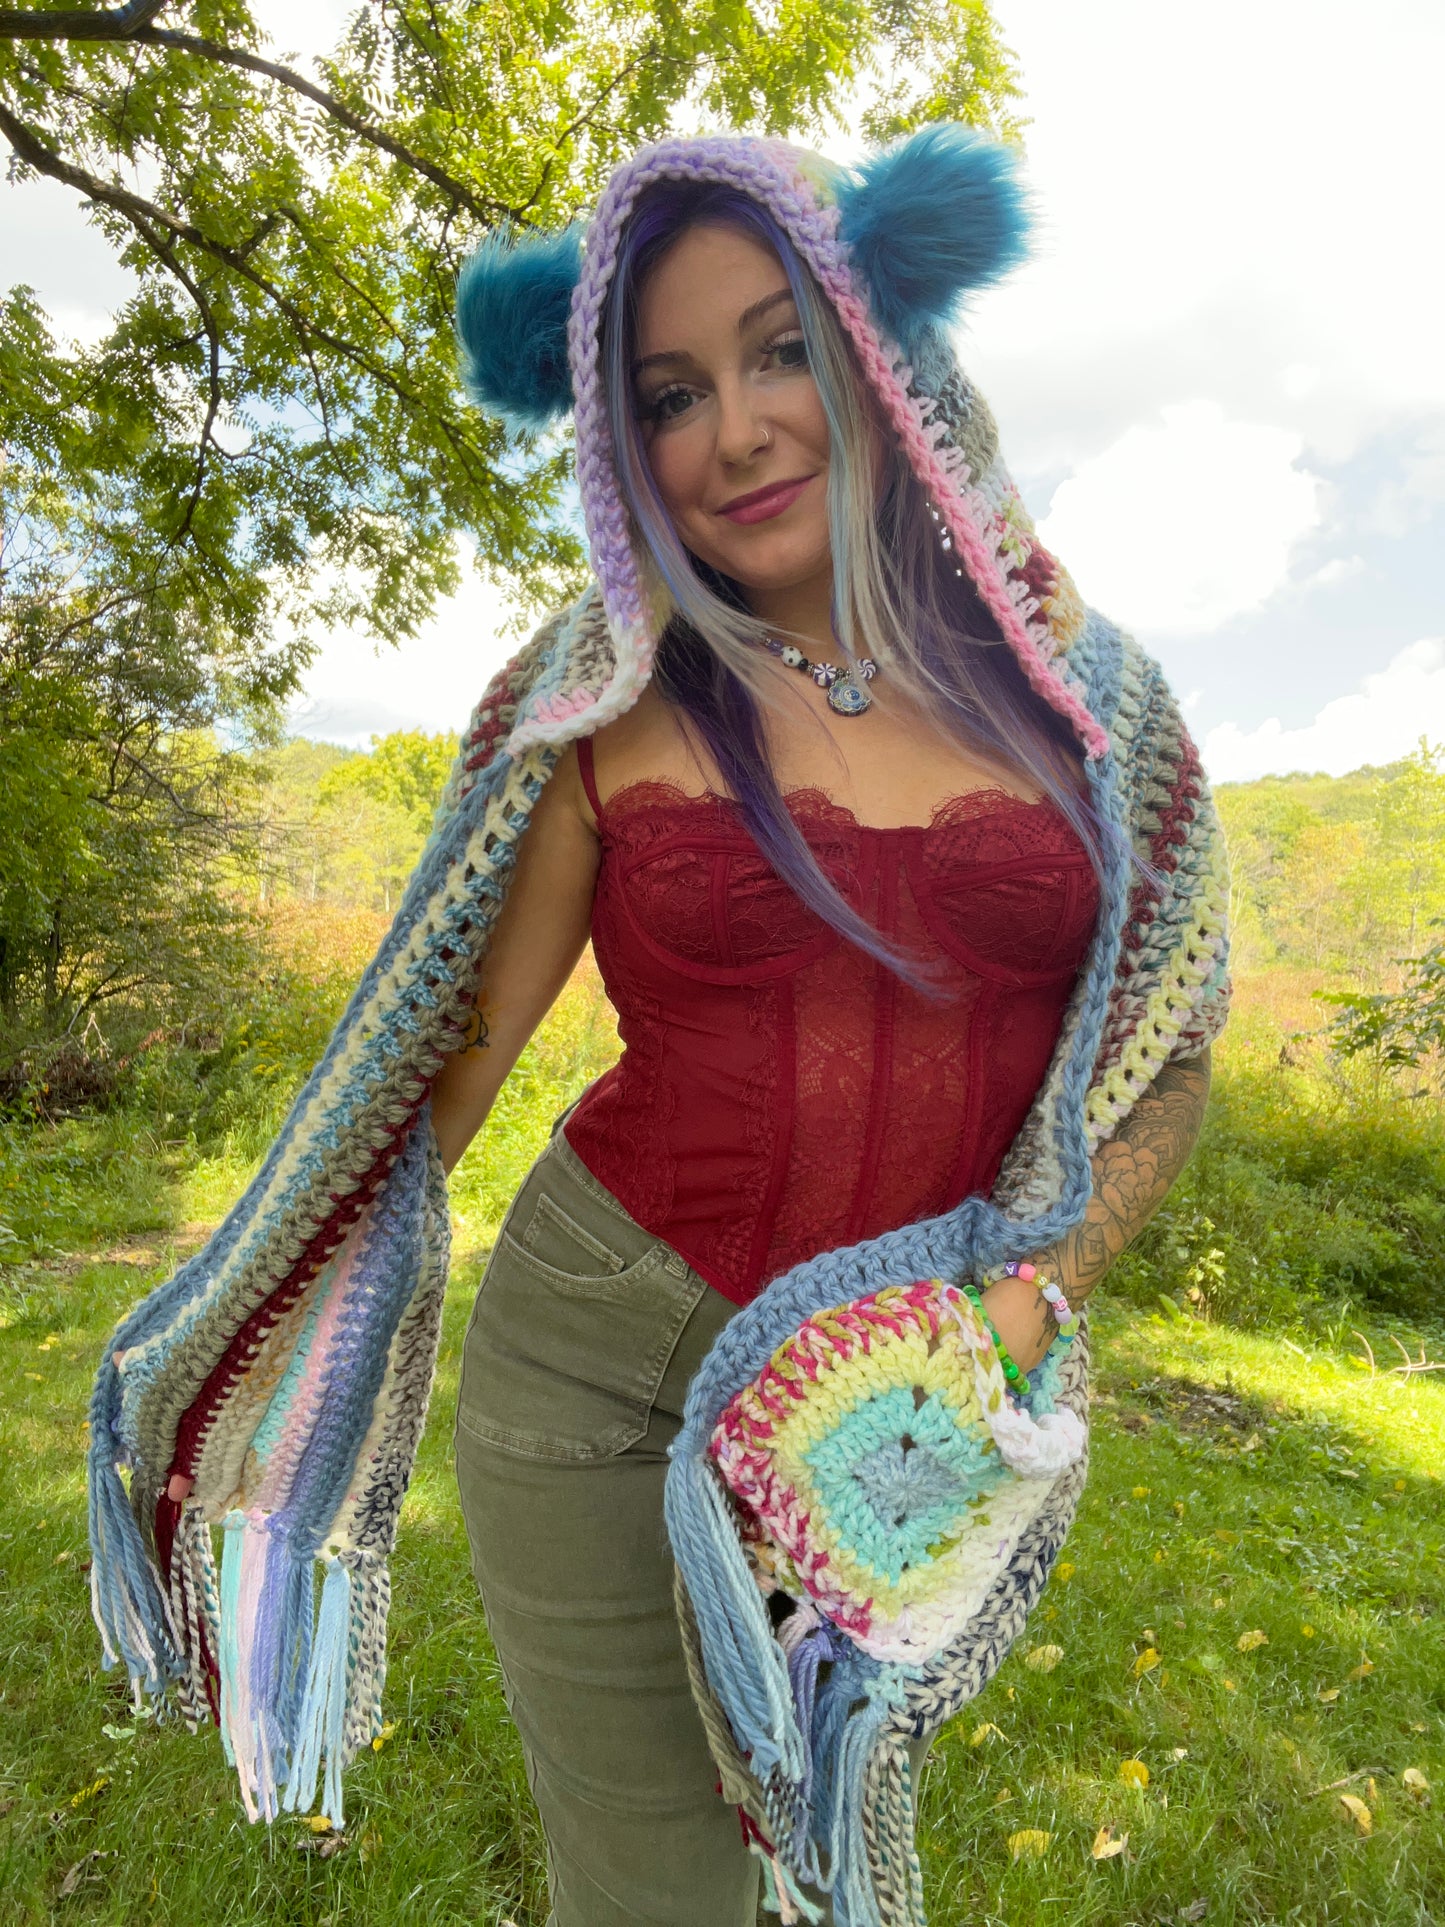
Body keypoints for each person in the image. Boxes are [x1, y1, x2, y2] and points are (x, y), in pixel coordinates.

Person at [86, 125, 1230, 1927]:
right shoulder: (597, 699)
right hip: (598, 1371)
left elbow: (1165, 1052)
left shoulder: (1083, 704)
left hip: (908, 1393)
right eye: (669, 395)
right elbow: (440, 1050)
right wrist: (264, 1308)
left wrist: (1022, 1304)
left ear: (888, 365)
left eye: (782, 352)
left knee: (807, 1834)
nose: (736, 430)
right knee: (657, 1884)